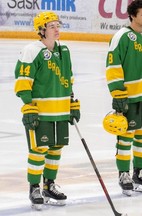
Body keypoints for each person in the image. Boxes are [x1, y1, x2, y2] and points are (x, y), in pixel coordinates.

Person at [14, 11, 80, 209]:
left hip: (59, 110)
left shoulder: (65, 50)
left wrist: (72, 103)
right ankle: (34, 187)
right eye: (51, 26)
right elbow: (23, 82)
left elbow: (68, 80)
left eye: (57, 25)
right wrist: (28, 107)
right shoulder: (31, 50)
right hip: (40, 112)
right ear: (41, 30)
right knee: (38, 150)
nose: (57, 29)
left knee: (56, 148)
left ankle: (49, 185)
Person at [105, 0, 142, 196]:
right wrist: (118, 93)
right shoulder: (121, 37)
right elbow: (113, 67)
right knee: (126, 136)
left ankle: (139, 172)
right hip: (129, 97)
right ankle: (123, 174)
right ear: (132, 16)